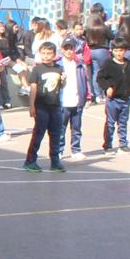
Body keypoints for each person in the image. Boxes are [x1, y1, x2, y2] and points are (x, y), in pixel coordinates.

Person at [23, 41, 65, 173]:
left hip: (55, 106)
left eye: (49, 53)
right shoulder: (37, 69)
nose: (46, 56)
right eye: (43, 53)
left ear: (54, 54)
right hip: (41, 106)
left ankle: (55, 161)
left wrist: (64, 80)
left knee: (56, 134)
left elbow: (61, 86)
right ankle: (30, 160)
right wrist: (32, 105)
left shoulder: (59, 68)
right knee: (39, 133)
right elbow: (33, 87)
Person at [96, 39, 130, 154]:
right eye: (116, 50)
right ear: (112, 51)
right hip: (113, 100)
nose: (119, 53)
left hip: (125, 99)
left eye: (121, 50)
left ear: (125, 51)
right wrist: (107, 87)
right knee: (110, 123)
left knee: (123, 123)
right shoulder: (108, 64)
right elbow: (100, 78)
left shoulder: (128, 63)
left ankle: (123, 144)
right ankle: (108, 145)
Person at [58, 37, 87, 159]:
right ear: (62, 50)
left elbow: (85, 80)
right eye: (66, 48)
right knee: (61, 128)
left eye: (71, 48)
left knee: (76, 127)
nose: (69, 51)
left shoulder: (79, 64)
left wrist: (87, 97)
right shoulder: (58, 65)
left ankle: (76, 149)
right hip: (63, 101)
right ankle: (59, 150)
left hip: (77, 100)